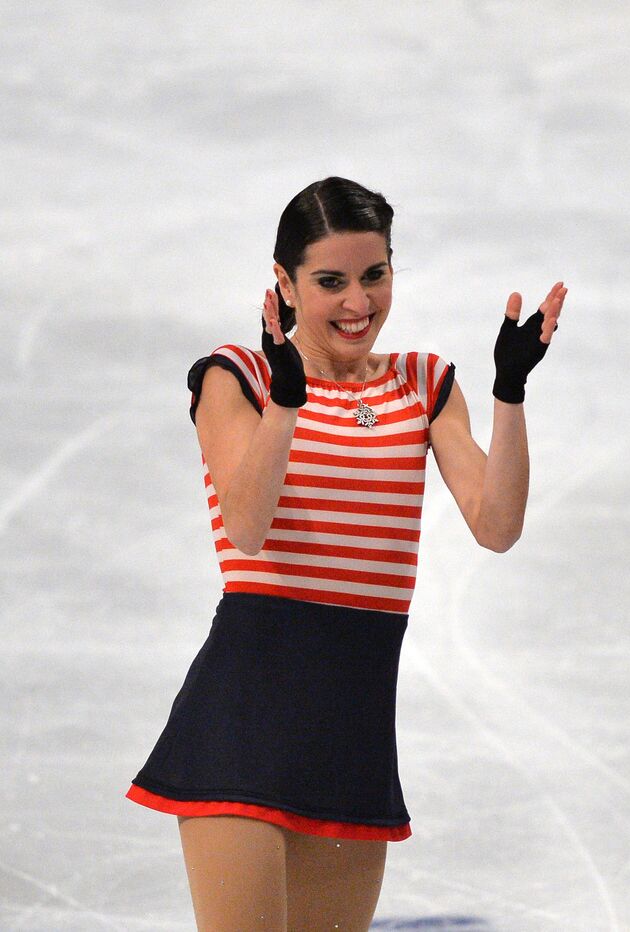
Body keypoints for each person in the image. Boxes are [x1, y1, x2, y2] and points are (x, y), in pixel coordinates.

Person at [125, 176, 567, 930]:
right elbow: (247, 527)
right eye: (330, 282)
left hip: (352, 734)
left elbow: (496, 525)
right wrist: (289, 404)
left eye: (374, 275)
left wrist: (510, 393)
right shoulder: (238, 377)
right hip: (243, 722)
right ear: (284, 284)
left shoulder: (421, 384)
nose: (358, 302)